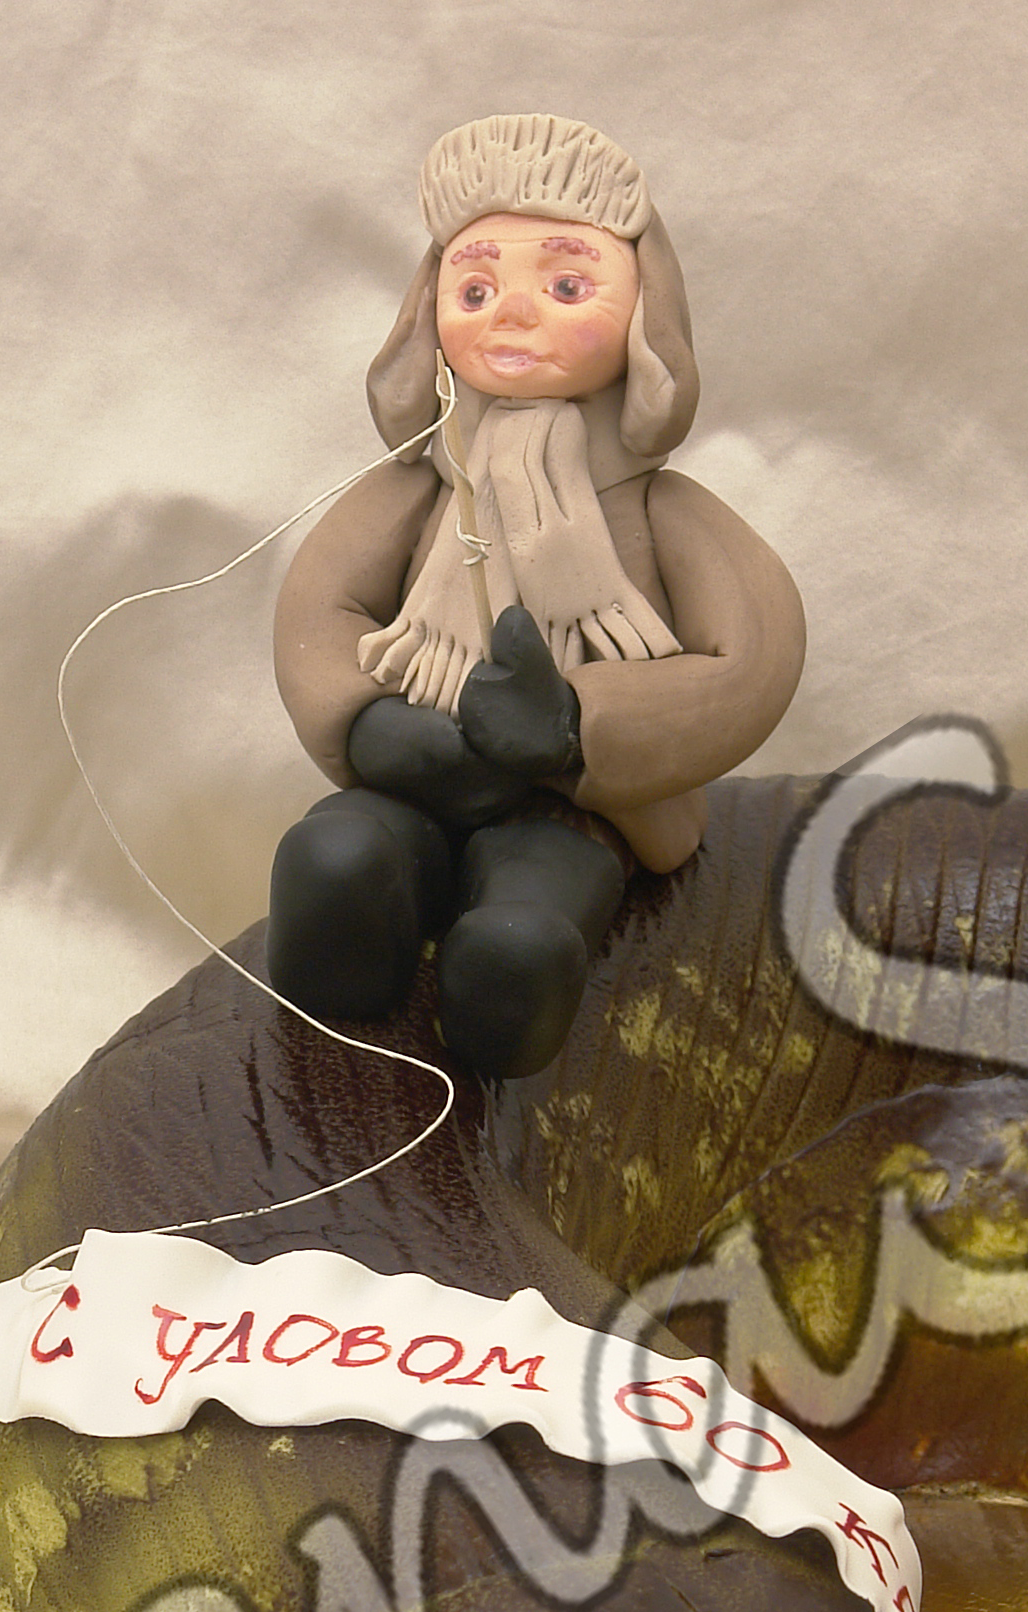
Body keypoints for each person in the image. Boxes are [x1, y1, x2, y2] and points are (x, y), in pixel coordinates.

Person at [270, 115, 805, 1077]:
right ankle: (341, 1001)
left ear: (644, 320)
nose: (511, 314)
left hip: (573, 807)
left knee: (524, 924)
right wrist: (375, 728)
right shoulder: (423, 485)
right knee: (341, 856)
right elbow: (320, 609)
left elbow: (749, 660)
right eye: (475, 290)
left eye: (565, 288)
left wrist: (568, 725)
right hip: (414, 777)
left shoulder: (661, 513)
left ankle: (503, 1008)